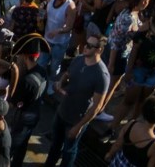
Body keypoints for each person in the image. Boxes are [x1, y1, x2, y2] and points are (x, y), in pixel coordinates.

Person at [46, 31, 111, 167]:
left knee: (69, 152)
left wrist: (79, 126)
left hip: (76, 119)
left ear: (99, 49)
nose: (85, 47)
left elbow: (97, 106)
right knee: (55, 145)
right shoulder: (78, 59)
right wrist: (60, 83)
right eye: (86, 44)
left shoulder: (101, 75)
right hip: (62, 111)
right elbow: (67, 75)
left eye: (90, 46)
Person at [104, 94, 155, 167]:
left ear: (143, 111)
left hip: (118, 163)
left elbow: (118, 144)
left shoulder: (131, 124)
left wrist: (110, 154)